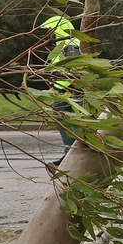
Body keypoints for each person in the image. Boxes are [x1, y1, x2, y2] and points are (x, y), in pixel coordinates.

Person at [40, 14, 84, 162]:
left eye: (50, 29)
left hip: (69, 91)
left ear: (58, 29)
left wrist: (58, 88)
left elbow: (73, 68)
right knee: (67, 121)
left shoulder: (70, 44)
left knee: (61, 119)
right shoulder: (63, 45)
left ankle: (70, 153)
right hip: (66, 89)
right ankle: (71, 153)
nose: (48, 33)